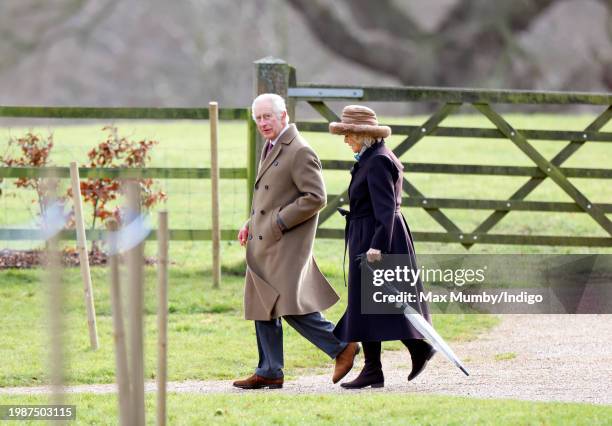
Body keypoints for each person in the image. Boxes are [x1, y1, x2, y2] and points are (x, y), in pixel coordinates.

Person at [233, 93, 359, 389]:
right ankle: (269, 369)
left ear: (283, 116)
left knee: (288, 305)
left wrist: (277, 222)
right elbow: (272, 195)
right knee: (263, 302)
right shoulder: (272, 146)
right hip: (265, 241)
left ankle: (342, 347)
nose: (263, 123)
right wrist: (251, 222)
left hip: (285, 244)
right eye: (258, 118)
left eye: (268, 117)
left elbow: (316, 197)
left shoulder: (299, 150)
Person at [329, 105, 435, 389]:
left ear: (363, 134)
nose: (345, 139)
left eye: (348, 133)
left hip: (377, 236)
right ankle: (409, 353)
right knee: (376, 303)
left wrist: (377, 247)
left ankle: (383, 365)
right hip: (371, 232)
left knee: (373, 302)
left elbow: (386, 210)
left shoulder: (377, 161)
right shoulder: (372, 156)